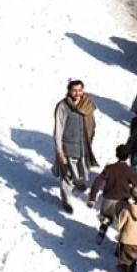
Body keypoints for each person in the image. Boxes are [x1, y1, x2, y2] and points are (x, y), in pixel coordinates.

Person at [52, 79, 98, 214]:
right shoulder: (63, 106)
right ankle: (66, 199)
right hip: (68, 146)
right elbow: (58, 129)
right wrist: (59, 150)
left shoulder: (88, 104)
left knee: (81, 169)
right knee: (66, 174)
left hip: (83, 145)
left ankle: (77, 181)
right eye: (74, 90)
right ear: (69, 91)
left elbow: (92, 124)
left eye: (80, 90)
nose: (77, 93)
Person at [87, 144, 137, 241]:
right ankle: (121, 240)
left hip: (108, 199)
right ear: (128, 156)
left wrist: (92, 198)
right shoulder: (130, 171)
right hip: (122, 201)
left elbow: (97, 182)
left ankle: (103, 228)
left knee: (106, 216)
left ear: (116, 154)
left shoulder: (109, 168)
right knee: (123, 221)